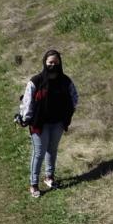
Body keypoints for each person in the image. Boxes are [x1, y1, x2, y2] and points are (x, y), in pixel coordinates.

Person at [19, 48, 78, 198]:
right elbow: (27, 101)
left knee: (52, 149)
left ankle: (49, 177)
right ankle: (33, 184)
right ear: (45, 63)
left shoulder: (65, 81)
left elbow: (74, 97)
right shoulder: (36, 81)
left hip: (57, 123)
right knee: (39, 153)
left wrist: (68, 112)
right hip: (39, 123)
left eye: (56, 62)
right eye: (50, 62)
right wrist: (26, 118)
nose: (53, 65)